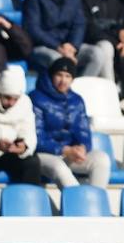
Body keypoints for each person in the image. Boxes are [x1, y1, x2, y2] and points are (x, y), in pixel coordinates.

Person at [22, 0, 107, 77]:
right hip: (45, 47)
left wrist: (73, 46)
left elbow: (79, 24)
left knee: (97, 54)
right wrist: (57, 47)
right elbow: (33, 29)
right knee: (58, 60)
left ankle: (79, 91)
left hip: (69, 47)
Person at [30, 57, 110, 188]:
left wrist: (83, 148)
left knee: (101, 159)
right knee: (59, 167)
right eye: (59, 75)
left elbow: (84, 132)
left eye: (68, 76)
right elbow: (36, 138)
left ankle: (97, 201)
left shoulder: (77, 100)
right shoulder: (35, 98)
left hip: (69, 154)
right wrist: (64, 149)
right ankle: (78, 204)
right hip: (44, 154)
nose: (63, 80)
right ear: (51, 76)